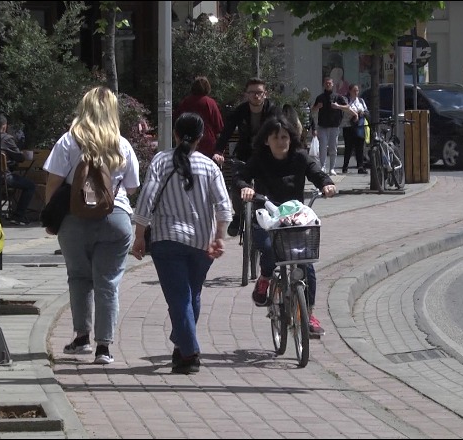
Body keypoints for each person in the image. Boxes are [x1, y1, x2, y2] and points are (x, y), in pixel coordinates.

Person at [43, 86, 141, 365]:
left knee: (78, 277)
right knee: (107, 282)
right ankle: (104, 348)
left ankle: (81, 338)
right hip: (116, 219)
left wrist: (53, 217)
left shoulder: (67, 141)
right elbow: (132, 187)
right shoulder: (122, 144)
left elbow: (52, 183)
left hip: (74, 219)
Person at [131, 112, 232, 374]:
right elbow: (223, 204)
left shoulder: (161, 161)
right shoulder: (209, 166)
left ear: (175, 134)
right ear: (201, 137)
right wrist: (220, 235)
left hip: (167, 240)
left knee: (180, 298)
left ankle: (188, 351)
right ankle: (183, 348)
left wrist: (139, 235)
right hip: (202, 242)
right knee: (191, 294)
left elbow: (147, 199)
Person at [233, 114, 337, 336]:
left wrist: (327, 184)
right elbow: (240, 177)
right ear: (266, 140)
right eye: (276, 137)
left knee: (306, 264)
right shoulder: (259, 159)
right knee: (270, 252)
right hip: (266, 216)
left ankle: (308, 314)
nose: (281, 141)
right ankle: (265, 278)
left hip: (294, 220)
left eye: (285, 137)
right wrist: (246, 188)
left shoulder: (299, 157)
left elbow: (316, 173)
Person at [214, 77, 282, 237]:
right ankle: (238, 216)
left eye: (259, 92)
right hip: (244, 153)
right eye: (252, 93)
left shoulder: (273, 110)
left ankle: (269, 214)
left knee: (268, 184)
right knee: (237, 181)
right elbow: (227, 131)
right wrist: (218, 150)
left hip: (267, 153)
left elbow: (282, 130)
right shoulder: (241, 111)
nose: (256, 96)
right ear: (246, 94)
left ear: (265, 94)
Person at [174, 76, 225, 161]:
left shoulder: (186, 102)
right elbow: (219, 125)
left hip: (187, 142)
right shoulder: (210, 103)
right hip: (207, 144)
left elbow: (177, 119)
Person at [0, 114, 36, 226]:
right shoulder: (6, 139)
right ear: (4, 126)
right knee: (30, 185)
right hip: (4, 176)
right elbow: (20, 158)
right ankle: (18, 215)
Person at [312, 77, 349, 175]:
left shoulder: (338, 97)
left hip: (334, 125)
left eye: (330, 83)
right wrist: (317, 107)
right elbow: (313, 110)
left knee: (333, 147)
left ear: (333, 84)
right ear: (324, 84)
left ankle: (332, 168)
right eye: (326, 83)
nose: (328, 85)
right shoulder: (320, 97)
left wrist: (338, 106)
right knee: (323, 146)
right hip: (323, 125)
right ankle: (323, 166)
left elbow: (347, 106)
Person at [341, 84, 369, 174]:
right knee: (348, 147)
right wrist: (354, 113)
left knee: (360, 147)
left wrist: (362, 113)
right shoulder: (346, 100)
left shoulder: (360, 100)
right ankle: (345, 166)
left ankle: (360, 166)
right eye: (354, 90)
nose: (356, 92)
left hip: (359, 126)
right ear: (350, 91)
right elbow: (345, 110)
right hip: (348, 126)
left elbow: (366, 111)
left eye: (357, 90)